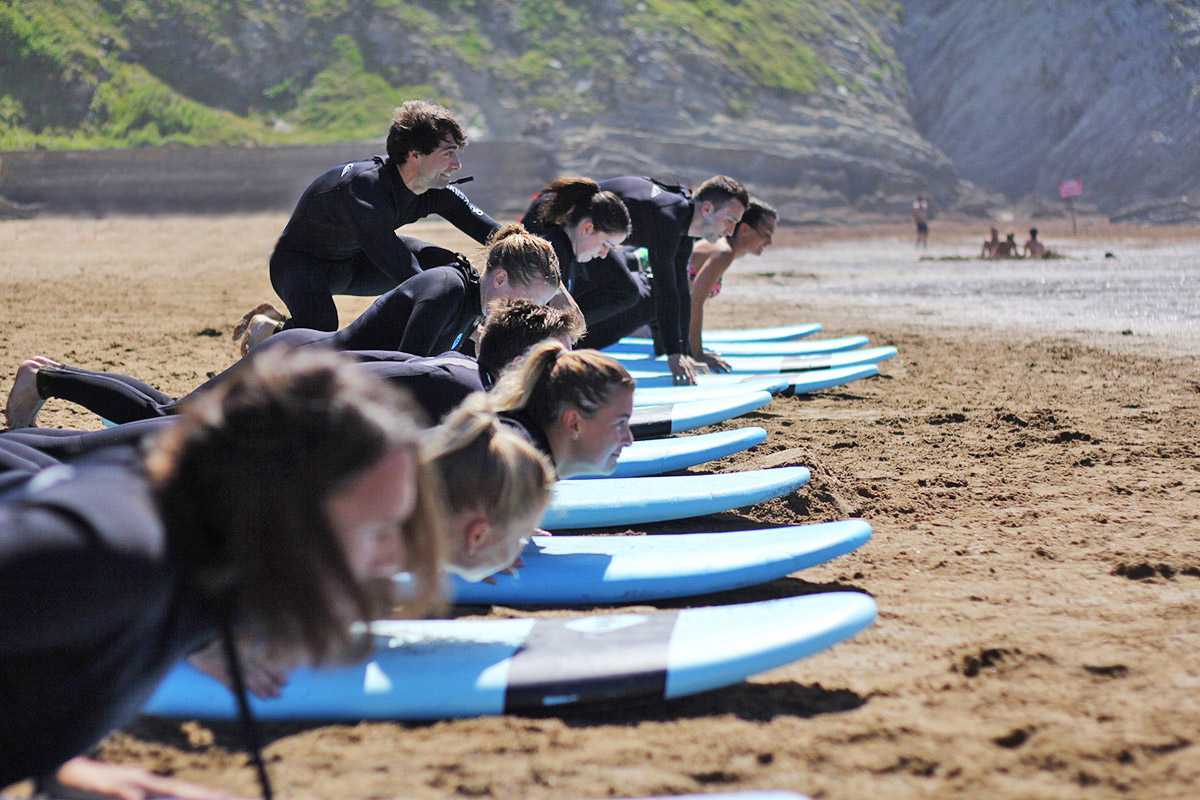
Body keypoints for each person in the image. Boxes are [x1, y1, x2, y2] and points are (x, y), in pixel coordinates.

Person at [0, 348, 443, 799]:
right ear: (287, 514)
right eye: (378, 530)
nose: (393, 560)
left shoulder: (200, 570)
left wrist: (61, 768)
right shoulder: (118, 555)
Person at [4, 228, 563, 429]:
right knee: (170, 425)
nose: (523, 314)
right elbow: (405, 371)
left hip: (310, 369)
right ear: (503, 277)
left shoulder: (470, 307)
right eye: (527, 300)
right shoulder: (446, 287)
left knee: (175, 413)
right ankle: (45, 379)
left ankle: (53, 381)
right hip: (294, 364)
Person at [252, 100, 501, 338]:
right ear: (415, 154)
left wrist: (534, 252)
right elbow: (404, 269)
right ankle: (269, 331)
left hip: (355, 264)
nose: (457, 164)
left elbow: (496, 234)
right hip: (300, 265)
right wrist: (467, 324)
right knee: (321, 326)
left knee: (449, 267)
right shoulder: (364, 189)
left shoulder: (432, 190)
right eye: (448, 153)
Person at [575, 175, 749, 386]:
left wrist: (686, 353)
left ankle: (562, 338)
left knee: (634, 295)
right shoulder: (668, 218)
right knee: (627, 292)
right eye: (730, 221)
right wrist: (674, 354)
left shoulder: (684, 223)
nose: (730, 232)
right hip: (564, 227)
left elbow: (681, 290)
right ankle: (556, 337)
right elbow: (665, 289)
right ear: (708, 208)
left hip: (587, 240)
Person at [488, 340, 636, 479]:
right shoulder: (508, 471)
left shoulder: (520, 461)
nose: (629, 439)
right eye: (619, 423)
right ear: (574, 424)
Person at [520, 176, 635, 325]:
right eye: (605, 244)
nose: (604, 254)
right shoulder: (553, 255)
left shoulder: (566, 252)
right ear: (587, 228)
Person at [686, 198, 778, 372]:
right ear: (744, 230)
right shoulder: (723, 252)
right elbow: (694, 301)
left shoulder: (722, 249)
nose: (769, 242)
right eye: (766, 234)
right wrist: (697, 353)